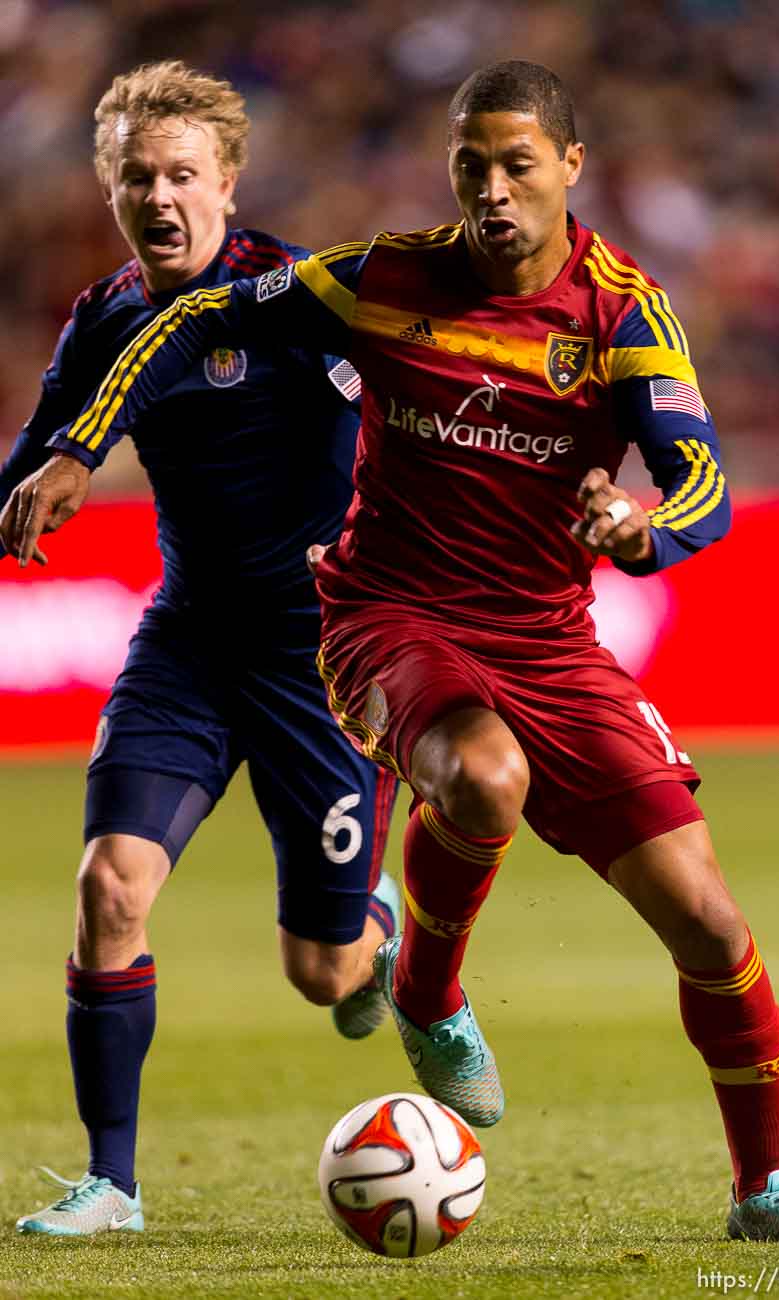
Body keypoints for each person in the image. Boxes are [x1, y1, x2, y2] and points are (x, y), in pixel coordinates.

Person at [6, 60, 779, 1245]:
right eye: (471, 165)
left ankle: (763, 1191)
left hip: (545, 635)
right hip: (385, 612)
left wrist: (643, 529)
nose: (492, 188)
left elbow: (701, 482)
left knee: (708, 922)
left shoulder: (621, 314)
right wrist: (73, 452)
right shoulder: (384, 278)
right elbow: (197, 317)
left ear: (570, 166)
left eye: (517, 163)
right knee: (477, 776)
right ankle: (422, 997)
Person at [0, 61, 399, 1238]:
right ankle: (112, 1185)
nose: (162, 197)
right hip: (186, 644)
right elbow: (39, 450)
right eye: (138, 178)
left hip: (314, 662)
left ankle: (383, 935)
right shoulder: (104, 314)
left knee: (320, 973)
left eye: (183, 175)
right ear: (110, 191)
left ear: (228, 182)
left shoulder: (300, 299)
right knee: (109, 887)